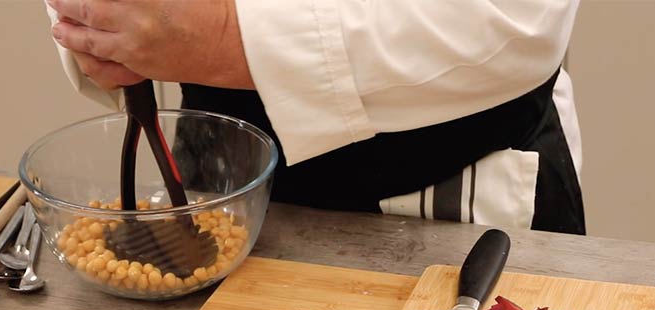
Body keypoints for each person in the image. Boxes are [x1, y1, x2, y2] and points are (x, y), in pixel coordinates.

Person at [46, 0, 585, 234]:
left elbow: (520, 20)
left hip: (449, 203)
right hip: (220, 188)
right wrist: (102, 26)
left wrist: (225, 39)